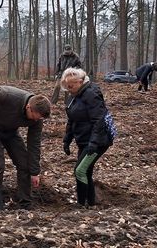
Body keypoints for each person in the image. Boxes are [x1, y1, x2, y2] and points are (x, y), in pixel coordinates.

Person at [0, 86, 51, 209]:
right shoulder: (8, 95)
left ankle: (25, 201)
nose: (37, 120)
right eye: (35, 116)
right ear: (28, 107)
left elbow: (34, 145)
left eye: (39, 118)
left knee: (24, 164)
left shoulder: (38, 119)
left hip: (10, 131)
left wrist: (35, 172)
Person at [60, 67, 112, 208]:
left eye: (71, 86)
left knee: (80, 170)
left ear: (80, 81)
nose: (69, 89)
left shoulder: (91, 95)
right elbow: (72, 119)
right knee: (86, 171)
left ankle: (81, 204)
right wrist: (67, 139)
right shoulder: (74, 96)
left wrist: (94, 143)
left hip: (98, 141)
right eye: (67, 86)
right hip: (83, 140)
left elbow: (99, 120)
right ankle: (91, 203)